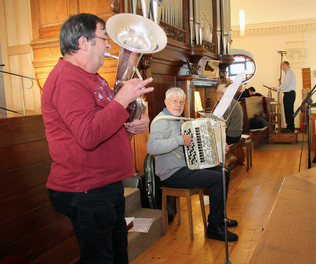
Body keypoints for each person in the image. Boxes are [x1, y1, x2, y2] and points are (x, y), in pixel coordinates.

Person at [41, 13, 153, 264]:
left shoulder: (96, 79)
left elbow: (105, 126)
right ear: (83, 42)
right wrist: (122, 99)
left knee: (117, 255)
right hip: (84, 189)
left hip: (106, 183)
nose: (108, 46)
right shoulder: (66, 78)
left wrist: (133, 126)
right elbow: (88, 136)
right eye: (104, 38)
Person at [147, 87, 239, 242]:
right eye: (174, 101)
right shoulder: (160, 122)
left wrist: (219, 147)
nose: (178, 105)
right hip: (172, 174)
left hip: (187, 167)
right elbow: (151, 147)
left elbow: (199, 142)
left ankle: (219, 217)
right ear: (166, 102)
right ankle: (214, 227)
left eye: (181, 101)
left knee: (224, 170)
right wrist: (179, 140)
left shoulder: (180, 121)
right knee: (218, 178)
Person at [272, 61, 296, 133]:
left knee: (289, 111)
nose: (283, 67)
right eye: (282, 66)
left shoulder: (289, 72)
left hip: (289, 94)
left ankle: (290, 128)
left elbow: (286, 84)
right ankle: (289, 127)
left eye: (284, 65)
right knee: (288, 111)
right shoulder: (288, 73)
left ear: (288, 65)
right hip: (288, 94)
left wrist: (277, 88)